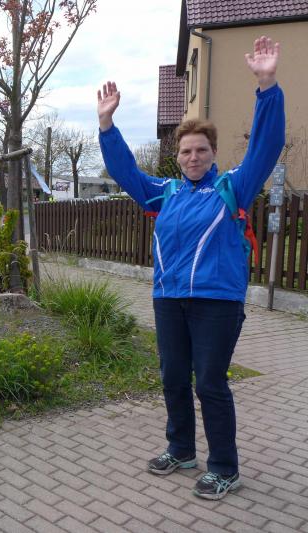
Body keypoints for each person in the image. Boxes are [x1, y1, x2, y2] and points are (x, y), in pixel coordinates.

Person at [96, 36, 285, 500]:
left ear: (213, 153)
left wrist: (267, 87)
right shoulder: (165, 193)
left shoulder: (232, 188)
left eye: (201, 150)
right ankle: (181, 449)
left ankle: (224, 467)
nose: (193, 157)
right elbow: (125, 173)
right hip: (169, 299)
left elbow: (266, 147)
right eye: (186, 152)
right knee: (173, 378)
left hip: (216, 302)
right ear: (176, 157)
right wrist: (107, 125)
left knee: (211, 383)